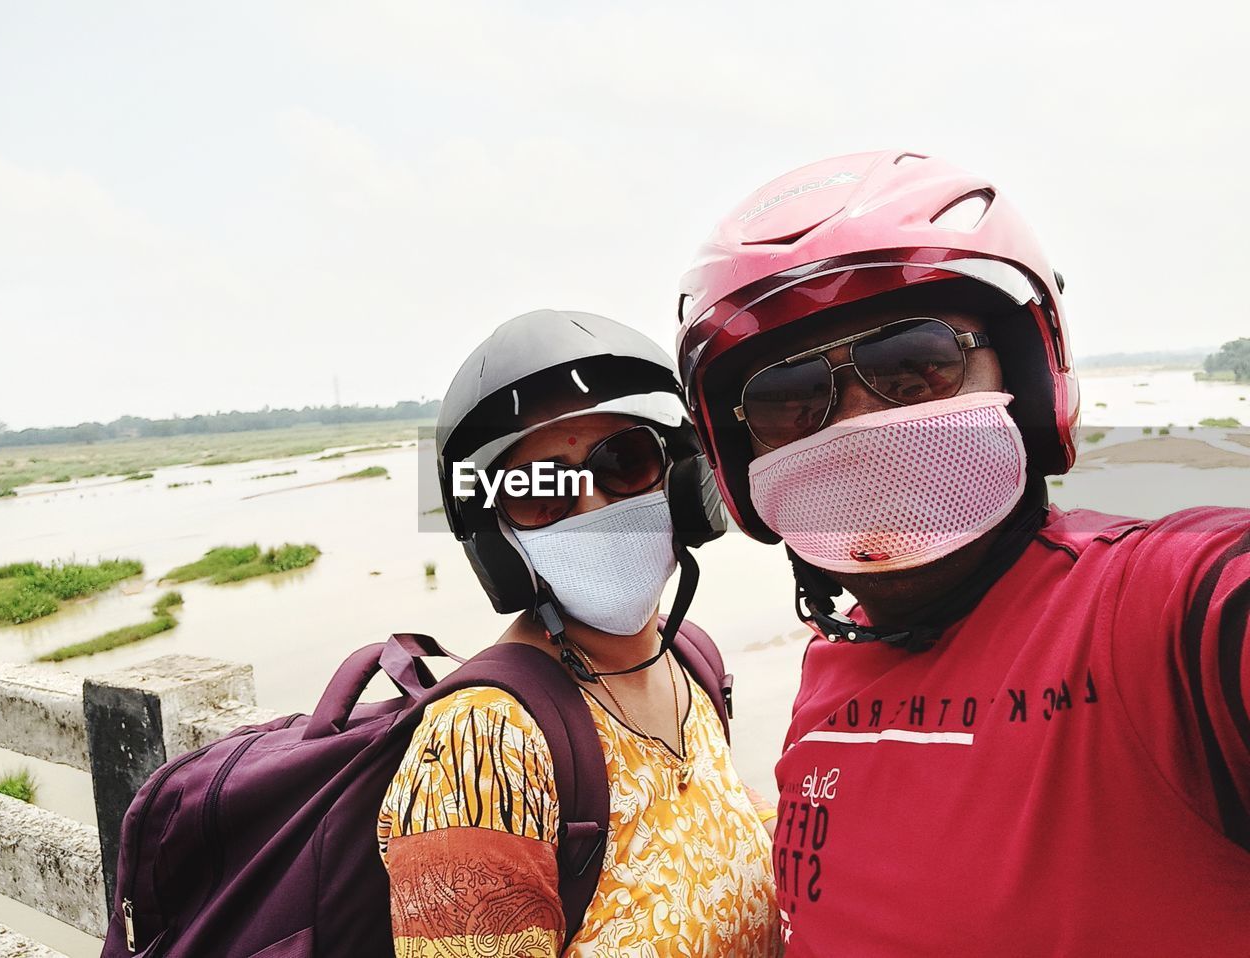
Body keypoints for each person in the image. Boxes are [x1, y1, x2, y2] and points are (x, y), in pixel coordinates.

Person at [675, 151, 1250, 955]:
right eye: (787, 398)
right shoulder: (824, 675)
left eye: (915, 364)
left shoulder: (1154, 618)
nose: (849, 424)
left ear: (1022, 373)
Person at [378, 309, 780, 956]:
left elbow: (712, 809)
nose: (594, 505)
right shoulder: (482, 741)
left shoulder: (689, 658)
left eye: (623, 462)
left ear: (682, 480)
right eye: (541, 489)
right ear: (498, 537)